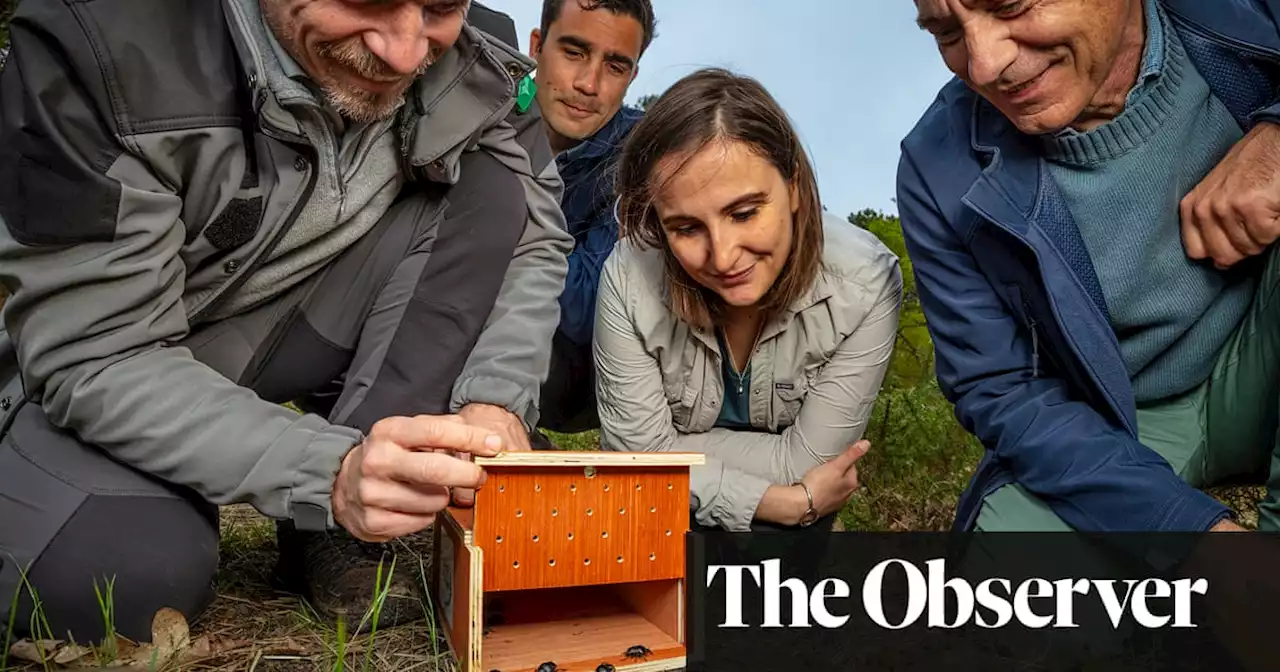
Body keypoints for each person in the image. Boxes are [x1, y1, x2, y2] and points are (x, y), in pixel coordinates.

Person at [0, 0, 572, 643]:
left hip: (296, 330)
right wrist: (324, 471)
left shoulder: (483, 60)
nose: (407, 53)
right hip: (131, 359)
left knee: (496, 187)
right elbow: (97, 352)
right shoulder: (98, 36)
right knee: (115, 574)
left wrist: (496, 399)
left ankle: (343, 529)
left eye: (440, 8)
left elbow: (534, 235)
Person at [898, 0, 1280, 532]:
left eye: (1011, 6)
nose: (984, 66)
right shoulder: (934, 165)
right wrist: (1194, 538)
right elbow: (1003, 391)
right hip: (1121, 426)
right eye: (946, 33)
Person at [595, 68, 904, 533]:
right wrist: (784, 502)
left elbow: (807, 460)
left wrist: (667, 453)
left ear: (795, 186)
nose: (722, 256)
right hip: (674, 517)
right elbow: (633, 463)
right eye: (685, 228)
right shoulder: (627, 274)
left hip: (795, 530)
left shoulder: (867, 282)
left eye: (743, 213)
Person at [525, 0, 656, 439]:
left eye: (615, 65)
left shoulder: (644, 155)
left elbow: (586, 310)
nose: (589, 84)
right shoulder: (483, 117)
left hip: (575, 380)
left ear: (633, 75)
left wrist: (489, 218)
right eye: (574, 52)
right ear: (536, 47)